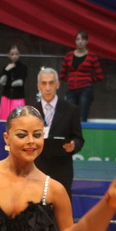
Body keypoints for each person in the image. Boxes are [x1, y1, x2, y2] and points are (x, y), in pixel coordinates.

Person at [32, 67, 84, 197]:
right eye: (44, 83)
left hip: (62, 168)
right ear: (38, 86)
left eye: (51, 83)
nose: (48, 88)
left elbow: (78, 138)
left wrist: (73, 145)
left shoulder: (71, 110)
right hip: (36, 167)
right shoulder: (30, 110)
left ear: (58, 84)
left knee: (61, 205)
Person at [59, 30, 104, 122]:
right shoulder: (68, 56)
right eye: (78, 39)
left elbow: (100, 76)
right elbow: (62, 75)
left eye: (83, 39)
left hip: (85, 89)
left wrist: (88, 80)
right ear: (75, 41)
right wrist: (71, 79)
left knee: (82, 116)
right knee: (70, 116)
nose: (80, 42)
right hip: (71, 90)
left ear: (87, 41)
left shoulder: (92, 56)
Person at [0, 45, 27, 120]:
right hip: (6, 96)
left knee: (17, 118)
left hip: (18, 97)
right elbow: (1, 82)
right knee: (4, 117)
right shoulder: (6, 67)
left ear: (19, 55)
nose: (14, 56)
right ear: (8, 55)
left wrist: (9, 84)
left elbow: (20, 82)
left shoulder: (23, 67)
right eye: (12, 54)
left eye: (16, 54)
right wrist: (6, 70)